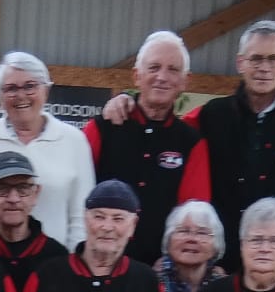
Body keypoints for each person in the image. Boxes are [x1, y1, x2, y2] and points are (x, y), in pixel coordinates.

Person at [110, 20, 275, 260]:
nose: (264, 67)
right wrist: (128, 104)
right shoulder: (213, 114)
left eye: (273, 59)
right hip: (225, 255)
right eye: (256, 58)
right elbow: (164, 127)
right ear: (240, 63)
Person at [83, 30, 211, 264]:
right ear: (136, 76)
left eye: (173, 69)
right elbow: (77, 198)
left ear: (185, 81)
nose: (162, 77)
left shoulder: (191, 143)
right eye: (153, 67)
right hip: (97, 264)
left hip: (158, 271)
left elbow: (194, 216)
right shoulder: (101, 128)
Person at [0, 51, 94, 249]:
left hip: (55, 266)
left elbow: (81, 216)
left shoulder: (74, 141)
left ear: (46, 91)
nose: (21, 95)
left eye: (30, 86)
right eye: (11, 88)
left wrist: (72, 267)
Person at [22, 181, 171, 292]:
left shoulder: (147, 281)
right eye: (99, 217)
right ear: (85, 219)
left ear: (133, 225)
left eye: (118, 219)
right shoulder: (46, 276)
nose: (107, 227)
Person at [0, 150, 67, 292]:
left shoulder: (56, 256)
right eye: (2, 188)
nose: (13, 198)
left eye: (22, 188)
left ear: (36, 193)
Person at [155, 199, 226, 292]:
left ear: (216, 246)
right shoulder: (150, 284)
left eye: (202, 232)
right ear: (168, 241)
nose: (192, 239)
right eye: (183, 231)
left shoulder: (226, 289)